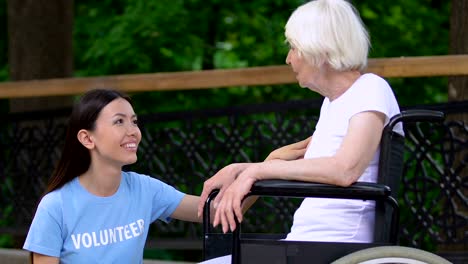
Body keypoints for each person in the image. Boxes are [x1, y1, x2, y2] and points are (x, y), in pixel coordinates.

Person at [197, 0, 404, 259]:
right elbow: (305, 157)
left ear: (317, 48)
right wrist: (240, 169)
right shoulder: (333, 104)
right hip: (305, 245)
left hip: (336, 247)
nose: (288, 58)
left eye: (293, 47)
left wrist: (258, 171)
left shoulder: (370, 88)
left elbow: (344, 170)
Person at [23, 89, 207, 263]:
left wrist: (236, 172)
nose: (133, 131)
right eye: (119, 121)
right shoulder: (55, 207)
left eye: (134, 121)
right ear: (87, 138)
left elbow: (212, 211)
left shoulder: (145, 189)